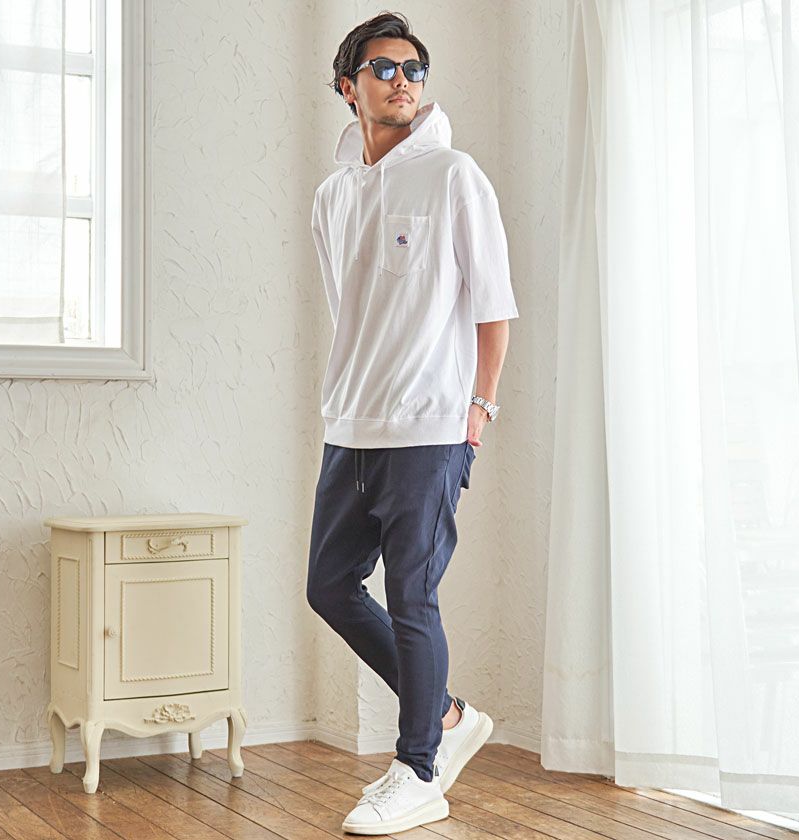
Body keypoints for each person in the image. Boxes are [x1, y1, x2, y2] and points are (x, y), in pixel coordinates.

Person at [306, 11, 519, 835]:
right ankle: (451, 717)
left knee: (411, 597)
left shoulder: (455, 176)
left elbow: (494, 308)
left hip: (430, 429)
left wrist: (479, 411)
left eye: (415, 69)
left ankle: (419, 770)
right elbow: (351, 313)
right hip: (351, 423)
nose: (404, 81)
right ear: (348, 86)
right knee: (330, 587)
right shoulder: (333, 196)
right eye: (385, 68)